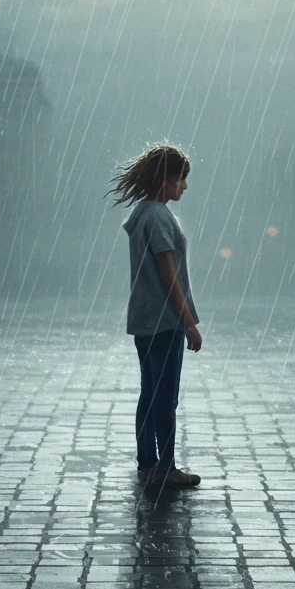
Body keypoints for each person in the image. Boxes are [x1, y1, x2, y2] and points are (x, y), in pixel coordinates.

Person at [105, 144, 202, 489]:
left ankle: (148, 464)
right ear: (166, 179)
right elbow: (168, 274)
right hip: (164, 319)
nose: (185, 187)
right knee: (166, 397)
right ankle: (166, 468)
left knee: (149, 393)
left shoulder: (143, 214)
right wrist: (189, 322)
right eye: (181, 179)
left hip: (144, 317)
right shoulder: (160, 217)